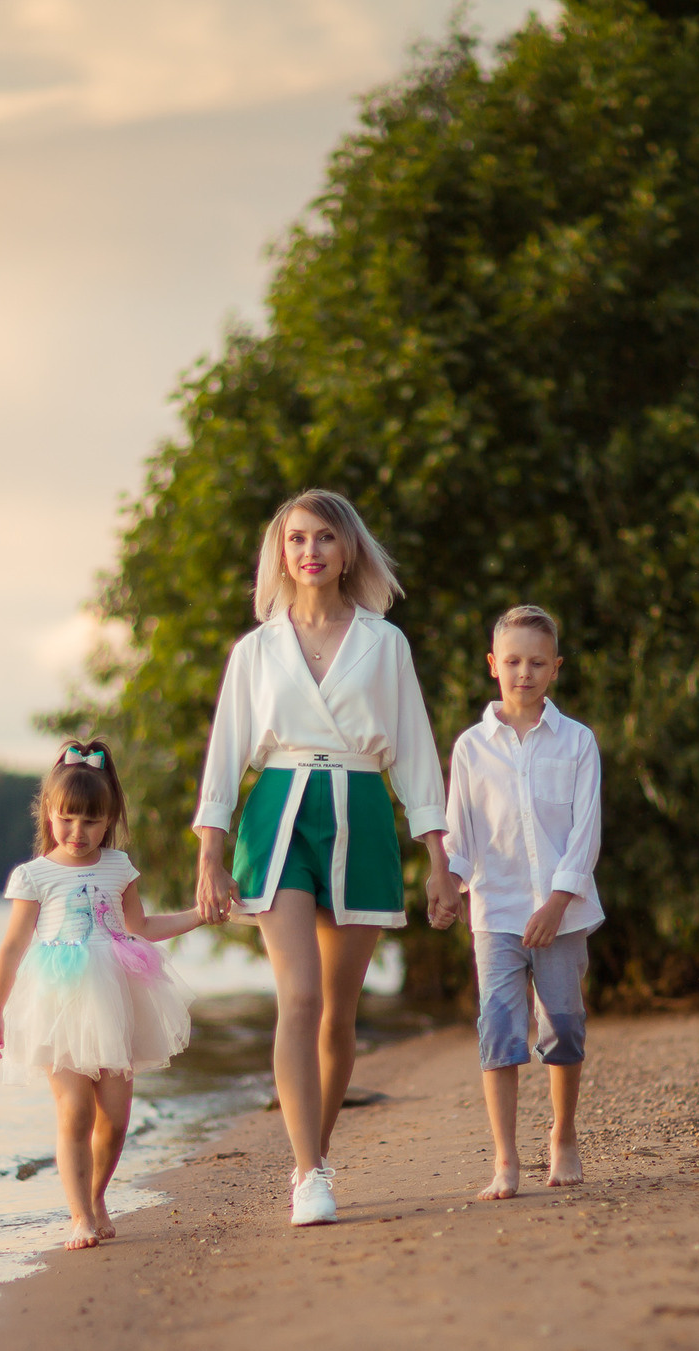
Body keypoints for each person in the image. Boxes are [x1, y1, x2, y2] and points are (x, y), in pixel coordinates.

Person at [193, 490, 461, 1227]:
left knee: (338, 1018)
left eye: (324, 538)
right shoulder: (255, 650)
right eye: (296, 539)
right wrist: (209, 854)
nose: (310, 551)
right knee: (299, 1000)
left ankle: (318, 1148)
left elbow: (412, 751)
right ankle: (308, 1173)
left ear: (348, 551)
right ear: (280, 553)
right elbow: (225, 754)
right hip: (278, 812)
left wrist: (440, 857)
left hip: (361, 810)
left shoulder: (385, 643)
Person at [0, 740, 201, 1250]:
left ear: (109, 821)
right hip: (58, 1001)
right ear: (49, 816)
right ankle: (80, 1215)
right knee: (75, 1111)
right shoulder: (35, 875)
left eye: (90, 821)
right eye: (67, 819)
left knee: (118, 1118)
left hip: (117, 992)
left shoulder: (118, 868)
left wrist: (197, 914)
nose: (77, 832)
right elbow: (13, 946)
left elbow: (141, 927)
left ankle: (98, 1194)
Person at [443, 605, 604, 1200]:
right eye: (512, 661)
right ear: (493, 665)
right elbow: (461, 838)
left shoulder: (578, 742)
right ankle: (505, 1160)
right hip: (497, 913)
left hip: (562, 914)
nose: (524, 673)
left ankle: (563, 1137)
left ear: (555, 668)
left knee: (562, 1024)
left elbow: (584, 834)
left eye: (537, 662)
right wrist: (449, 889)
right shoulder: (470, 748)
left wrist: (557, 903)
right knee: (500, 1031)